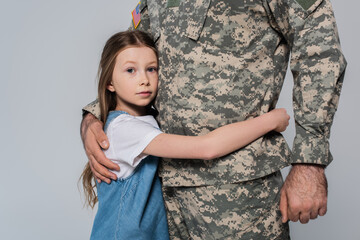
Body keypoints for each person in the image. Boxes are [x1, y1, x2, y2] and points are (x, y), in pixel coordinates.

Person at [81, 0, 347, 239]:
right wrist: (95, 117)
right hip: (166, 200)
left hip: (238, 197)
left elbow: (320, 50)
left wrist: (309, 160)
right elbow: (133, 51)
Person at [81, 30, 290, 240]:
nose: (144, 79)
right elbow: (207, 148)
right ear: (109, 83)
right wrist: (270, 121)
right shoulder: (123, 129)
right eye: (130, 70)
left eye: (151, 69)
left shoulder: (146, 119)